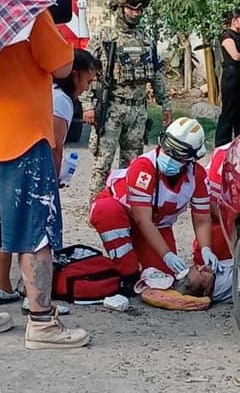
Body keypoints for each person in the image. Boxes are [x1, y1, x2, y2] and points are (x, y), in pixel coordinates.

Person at [0, 9, 89, 348]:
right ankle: (41, 323)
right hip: (24, 140)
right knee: (35, 232)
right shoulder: (26, 10)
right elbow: (64, 68)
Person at [0, 49, 99, 306]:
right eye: (88, 80)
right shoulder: (61, 100)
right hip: (36, 169)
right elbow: (54, 145)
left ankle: (3, 287)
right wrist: (54, 178)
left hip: (8, 160)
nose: (87, 87)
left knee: (5, 227)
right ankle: (34, 296)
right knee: (37, 234)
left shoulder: (42, 90)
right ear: (74, 75)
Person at [88, 117, 217, 294]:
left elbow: (202, 218)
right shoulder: (143, 167)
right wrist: (167, 255)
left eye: (177, 153)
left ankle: (136, 265)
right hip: (125, 216)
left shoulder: (198, 177)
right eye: (167, 146)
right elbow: (143, 221)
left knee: (165, 278)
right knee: (106, 211)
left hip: (157, 225)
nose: (168, 154)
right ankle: (128, 273)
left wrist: (206, 248)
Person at [81, 0, 172, 201]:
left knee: (132, 164)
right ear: (119, 8)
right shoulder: (105, 37)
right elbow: (85, 69)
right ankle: (97, 206)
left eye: (140, 7)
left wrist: (165, 104)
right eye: (132, 6)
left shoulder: (146, 40)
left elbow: (156, 75)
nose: (137, 12)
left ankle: (125, 205)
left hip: (138, 110)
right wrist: (87, 104)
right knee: (102, 163)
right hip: (112, 108)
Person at [214, 9, 240, 147]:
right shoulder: (227, 37)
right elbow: (236, 56)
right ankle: (221, 144)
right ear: (234, 20)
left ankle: (239, 143)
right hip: (231, 77)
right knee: (229, 111)